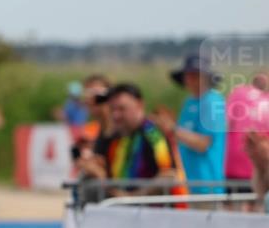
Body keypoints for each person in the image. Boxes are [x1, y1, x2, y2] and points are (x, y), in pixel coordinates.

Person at [88, 83, 184, 197]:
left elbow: (169, 175)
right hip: (119, 208)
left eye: (122, 109)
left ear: (140, 105)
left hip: (149, 211)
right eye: (112, 109)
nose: (116, 115)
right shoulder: (114, 136)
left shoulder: (153, 134)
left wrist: (131, 197)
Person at [153, 54, 227, 194]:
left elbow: (203, 143)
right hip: (189, 185)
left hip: (208, 186)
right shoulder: (189, 102)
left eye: (196, 75)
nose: (191, 80)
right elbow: (183, 136)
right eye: (188, 75)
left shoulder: (212, 102)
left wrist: (172, 128)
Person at [225, 71, 269, 185]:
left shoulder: (238, 92)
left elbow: (226, 123)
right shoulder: (240, 93)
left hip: (234, 163)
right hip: (258, 167)